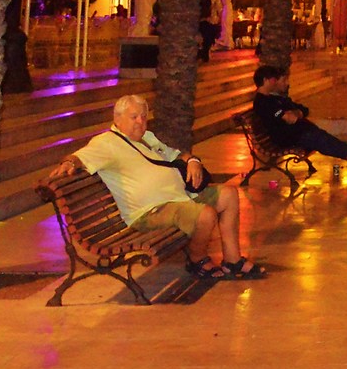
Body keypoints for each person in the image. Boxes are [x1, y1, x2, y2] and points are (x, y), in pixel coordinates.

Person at [71, 94, 260, 280]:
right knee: (205, 215)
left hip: (179, 197)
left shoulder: (147, 137)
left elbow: (176, 155)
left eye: (143, 117)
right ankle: (197, 259)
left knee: (229, 194)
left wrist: (193, 161)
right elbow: (80, 157)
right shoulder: (106, 143)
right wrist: (70, 163)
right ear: (117, 119)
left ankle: (232, 260)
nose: (140, 122)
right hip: (150, 211)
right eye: (134, 117)